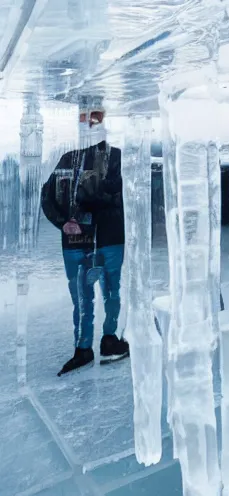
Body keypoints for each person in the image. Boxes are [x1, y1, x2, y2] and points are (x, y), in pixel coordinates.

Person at [41, 97, 129, 376]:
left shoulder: (115, 156)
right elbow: (47, 194)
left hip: (110, 238)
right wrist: (62, 222)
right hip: (76, 242)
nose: (89, 121)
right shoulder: (67, 157)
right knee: (81, 297)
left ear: (104, 118)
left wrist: (84, 196)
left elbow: (108, 193)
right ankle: (83, 349)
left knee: (112, 292)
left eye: (95, 115)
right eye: (84, 116)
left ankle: (109, 339)